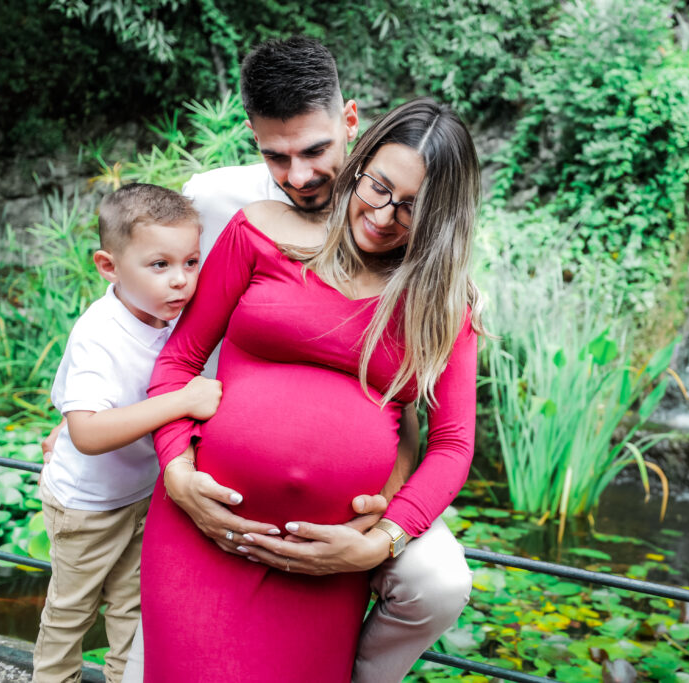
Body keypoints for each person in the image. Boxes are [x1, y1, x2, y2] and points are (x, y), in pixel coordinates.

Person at [162, 37, 474, 682]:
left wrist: (376, 542)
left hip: (328, 553)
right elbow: (170, 350)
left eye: (410, 205)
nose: (384, 216)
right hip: (208, 525)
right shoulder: (247, 222)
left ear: (349, 126)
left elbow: (451, 442)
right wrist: (171, 465)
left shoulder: (442, 299)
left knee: (435, 585)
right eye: (379, 189)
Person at [32, 184, 222, 683]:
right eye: (159, 265)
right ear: (108, 266)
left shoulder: (164, 315)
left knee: (132, 612)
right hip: (86, 506)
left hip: (141, 495)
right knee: (71, 612)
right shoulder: (99, 334)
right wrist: (182, 401)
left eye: (191, 261)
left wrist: (63, 426)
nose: (181, 281)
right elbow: (90, 433)